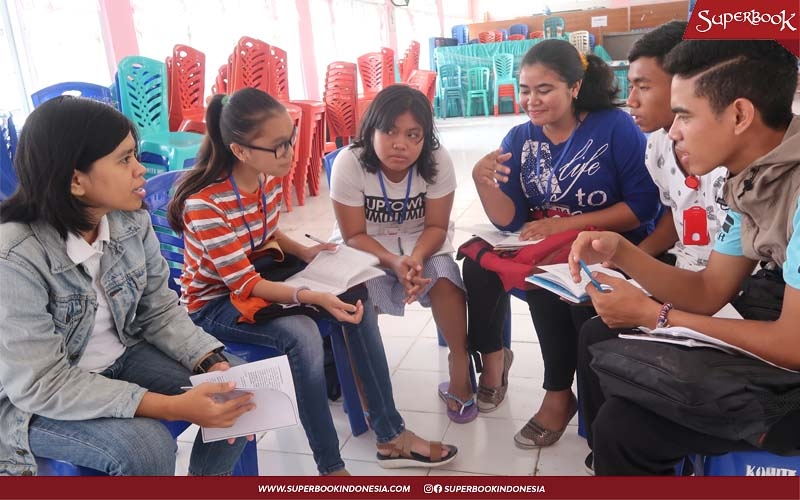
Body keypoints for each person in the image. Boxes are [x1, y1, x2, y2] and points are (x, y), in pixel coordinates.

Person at [167, 87, 457, 475]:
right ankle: (331, 468)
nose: (290, 153)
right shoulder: (205, 205)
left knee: (356, 297)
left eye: (290, 140)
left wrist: (305, 252)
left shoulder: (265, 179)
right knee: (302, 334)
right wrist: (312, 294)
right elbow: (244, 284)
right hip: (216, 305)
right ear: (240, 150)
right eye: (279, 146)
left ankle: (390, 437)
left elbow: (264, 233)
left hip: (257, 282)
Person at [572, 39, 800, 475]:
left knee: (625, 427)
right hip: (777, 319)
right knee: (601, 338)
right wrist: (621, 250)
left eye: (684, 115)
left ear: (739, 115)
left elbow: (793, 344)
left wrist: (657, 316)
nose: (672, 131)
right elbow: (708, 289)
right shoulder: (750, 177)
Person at [0, 96, 252, 476]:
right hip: (34, 400)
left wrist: (206, 358)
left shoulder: (129, 221)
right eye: (124, 160)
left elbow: (159, 309)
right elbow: (42, 383)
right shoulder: (15, 258)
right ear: (75, 179)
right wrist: (169, 405)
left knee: (241, 388)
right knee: (148, 448)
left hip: (121, 356)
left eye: (135, 155)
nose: (140, 171)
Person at [462, 39, 660, 448]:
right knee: (477, 267)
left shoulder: (612, 127)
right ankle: (494, 360)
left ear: (574, 87)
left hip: (610, 242)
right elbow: (511, 218)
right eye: (524, 90)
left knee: (557, 286)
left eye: (544, 89)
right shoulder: (520, 138)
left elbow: (640, 208)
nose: (531, 101)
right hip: (551, 243)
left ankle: (558, 395)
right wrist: (482, 183)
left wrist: (564, 225)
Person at [329, 85, 475, 424]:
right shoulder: (349, 162)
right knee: (356, 295)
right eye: (390, 131)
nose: (401, 144)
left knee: (446, 276)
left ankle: (460, 365)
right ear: (371, 130)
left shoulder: (437, 160)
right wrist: (394, 262)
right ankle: (369, 392)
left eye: (413, 135)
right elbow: (353, 234)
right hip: (364, 248)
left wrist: (416, 258)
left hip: (422, 244)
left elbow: (437, 227)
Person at [627, 20, 728, 271]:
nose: (631, 101)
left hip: (736, 287)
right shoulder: (656, 148)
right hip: (683, 268)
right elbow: (677, 215)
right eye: (630, 86)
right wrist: (630, 260)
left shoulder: (729, 153)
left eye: (643, 87)